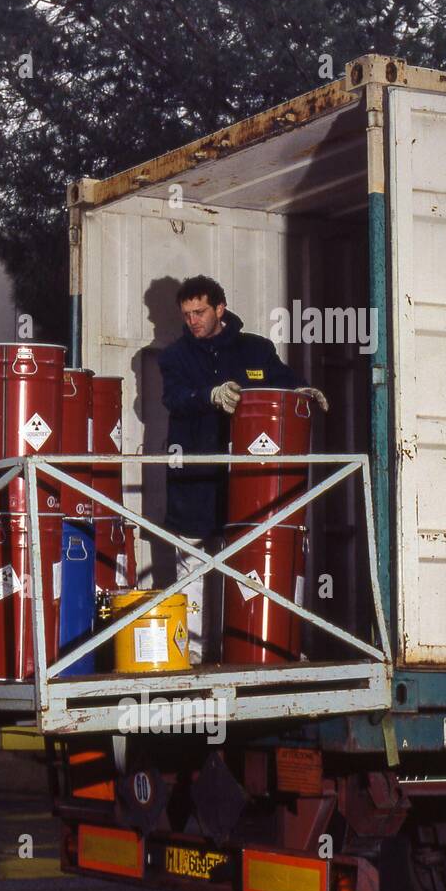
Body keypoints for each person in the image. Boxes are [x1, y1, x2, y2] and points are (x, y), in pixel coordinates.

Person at [158, 276, 327, 663]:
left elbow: (283, 383)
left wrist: (301, 391)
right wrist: (209, 396)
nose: (192, 321)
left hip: (250, 485)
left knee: (256, 565)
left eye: (199, 312)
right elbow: (174, 399)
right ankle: (195, 657)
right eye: (186, 315)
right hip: (196, 481)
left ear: (220, 309)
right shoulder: (175, 357)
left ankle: (261, 649)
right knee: (193, 566)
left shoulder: (256, 349)